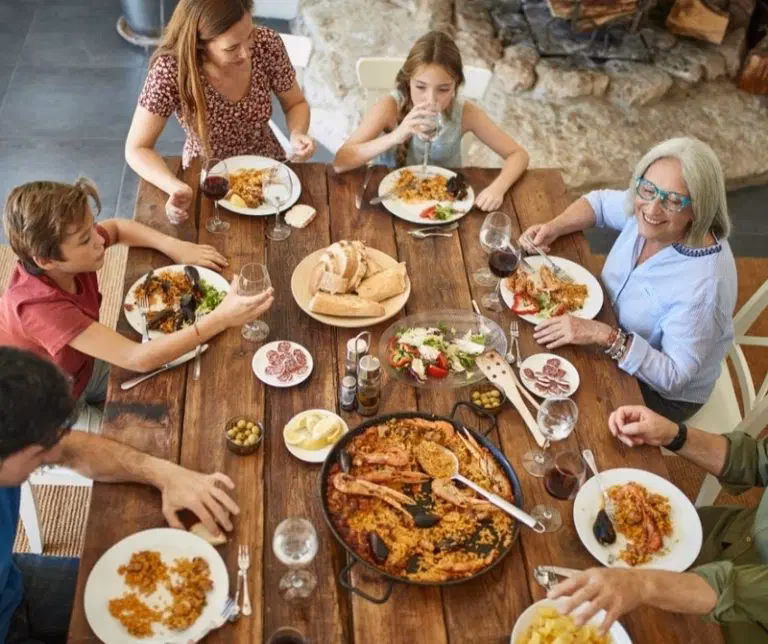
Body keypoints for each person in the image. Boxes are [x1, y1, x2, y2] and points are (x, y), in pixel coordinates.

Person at [0, 347, 240, 643]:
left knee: (206, 606)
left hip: (14, 583)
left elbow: (73, 448)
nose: (55, 453)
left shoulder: (14, 432)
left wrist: (164, 473)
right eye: (41, 452)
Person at [0, 178, 274, 430]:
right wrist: (221, 318)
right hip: (45, 406)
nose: (98, 240)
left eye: (92, 227)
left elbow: (118, 228)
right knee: (138, 442)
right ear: (45, 260)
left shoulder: (68, 256)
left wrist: (175, 247)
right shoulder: (39, 307)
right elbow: (136, 358)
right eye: (85, 239)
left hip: (79, 369)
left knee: (179, 382)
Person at [522, 137, 736, 421]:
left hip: (656, 392)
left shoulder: (704, 288)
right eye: (647, 189)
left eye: (673, 200)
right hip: (603, 325)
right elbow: (596, 203)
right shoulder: (648, 206)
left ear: (698, 209)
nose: (652, 208)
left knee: (555, 410)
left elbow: (673, 377)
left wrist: (602, 335)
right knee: (526, 350)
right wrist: (553, 227)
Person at [549, 404, 768, 643]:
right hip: (716, 534)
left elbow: (744, 591)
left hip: (738, 628)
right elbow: (756, 460)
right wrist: (674, 435)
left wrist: (643, 585)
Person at [125, 0, 316, 223]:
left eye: (249, 36)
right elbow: (137, 148)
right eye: (232, 47)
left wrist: (297, 133)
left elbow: (296, 104)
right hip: (206, 177)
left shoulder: (266, 44)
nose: (246, 53)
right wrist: (174, 187)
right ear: (199, 45)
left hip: (268, 171)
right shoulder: (171, 70)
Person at [332, 31, 529, 212]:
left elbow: (518, 154)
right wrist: (395, 136)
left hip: (442, 205)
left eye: (443, 89)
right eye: (420, 87)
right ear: (408, 81)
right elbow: (341, 162)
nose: (431, 99)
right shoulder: (389, 107)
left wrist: (498, 188)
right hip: (390, 204)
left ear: (456, 86)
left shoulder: (466, 113)